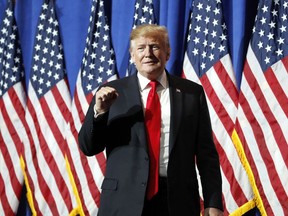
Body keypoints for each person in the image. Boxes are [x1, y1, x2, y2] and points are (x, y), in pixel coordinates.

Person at [78, 24, 224, 216]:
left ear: (167, 53)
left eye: (155, 46)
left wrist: (213, 203)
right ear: (132, 55)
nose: (148, 53)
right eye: (141, 48)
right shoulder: (111, 93)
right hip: (124, 202)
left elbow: (206, 154)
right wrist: (99, 112)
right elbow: (89, 147)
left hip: (177, 202)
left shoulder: (191, 93)